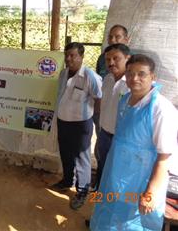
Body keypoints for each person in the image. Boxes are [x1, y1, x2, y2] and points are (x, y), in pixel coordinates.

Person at [90, 54, 178, 230]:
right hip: (117, 174)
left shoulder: (160, 109)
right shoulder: (125, 100)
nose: (134, 78)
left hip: (141, 180)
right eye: (130, 73)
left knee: (133, 223)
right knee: (109, 214)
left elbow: (163, 157)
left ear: (152, 77)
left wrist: (151, 193)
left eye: (141, 74)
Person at [51, 42, 102, 210]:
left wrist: (95, 119)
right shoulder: (63, 73)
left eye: (73, 55)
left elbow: (99, 98)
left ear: (81, 57)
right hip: (63, 121)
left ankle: (82, 191)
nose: (68, 59)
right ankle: (67, 181)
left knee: (82, 158)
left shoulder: (90, 76)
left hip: (81, 125)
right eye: (67, 55)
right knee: (65, 154)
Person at [94, 43, 130, 190]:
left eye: (116, 58)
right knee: (102, 166)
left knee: (117, 174)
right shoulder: (107, 79)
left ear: (128, 58)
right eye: (108, 59)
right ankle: (99, 199)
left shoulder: (132, 83)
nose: (111, 63)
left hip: (122, 139)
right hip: (105, 134)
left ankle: (111, 205)